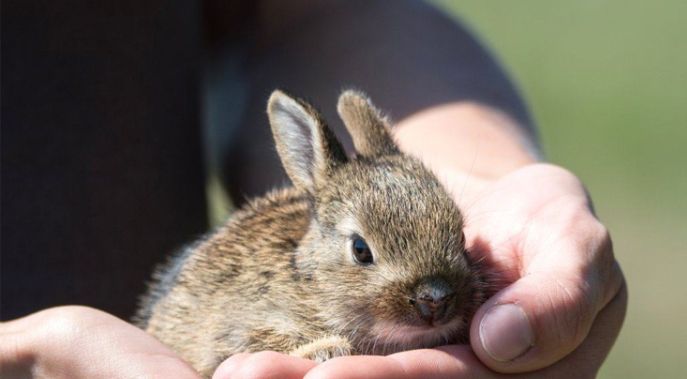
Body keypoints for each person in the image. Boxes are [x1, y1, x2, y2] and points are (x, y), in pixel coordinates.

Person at [0, 1, 626, 378]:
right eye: (364, 255)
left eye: (454, 243)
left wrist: (491, 175)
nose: (436, 297)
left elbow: (309, 12)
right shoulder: (286, 312)